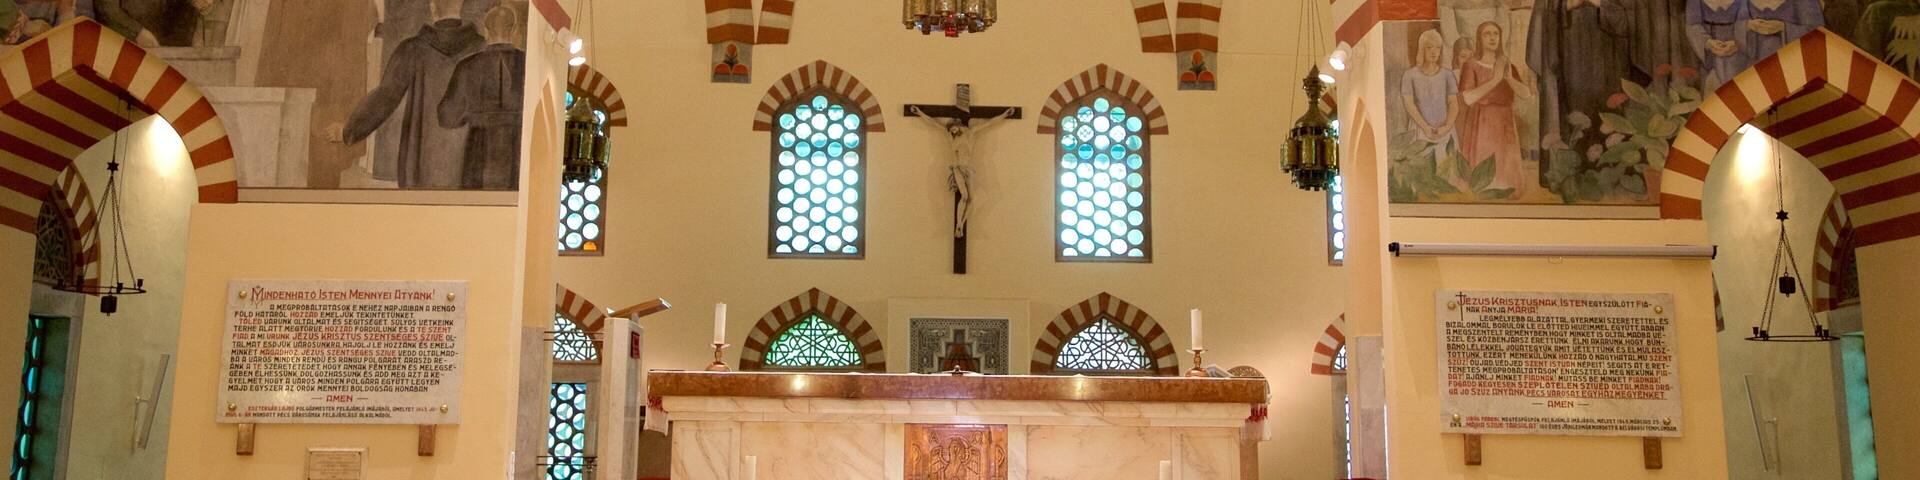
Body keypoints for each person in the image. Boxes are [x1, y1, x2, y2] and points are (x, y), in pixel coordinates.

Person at [328, 0, 484, 189]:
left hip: (419, 168)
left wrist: (349, 131)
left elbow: (385, 97)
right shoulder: (482, 48)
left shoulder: (412, 48)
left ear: (432, 7)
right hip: (467, 166)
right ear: (460, 5)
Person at [438, 4, 524, 190]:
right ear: (514, 29)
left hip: (479, 152)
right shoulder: (529, 65)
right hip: (518, 152)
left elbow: (447, 117)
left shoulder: (467, 66)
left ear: (486, 30)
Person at [909, 105, 1014, 238]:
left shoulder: (972, 132)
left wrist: (1005, 114)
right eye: (950, 130)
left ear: (957, 124)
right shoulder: (950, 136)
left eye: (952, 128)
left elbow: (989, 123)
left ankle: (961, 225)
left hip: (969, 169)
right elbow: (934, 123)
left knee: (971, 199)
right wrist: (919, 113)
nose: (951, 131)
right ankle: (958, 224)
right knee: (964, 196)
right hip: (957, 168)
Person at [1458, 21, 1533, 197]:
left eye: (1495, 34)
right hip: (1482, 120)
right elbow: (1468, 98)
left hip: (1505, 120)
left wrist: (1508, 78)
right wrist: (1495, 79)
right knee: (1485, 166)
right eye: (1487, 34)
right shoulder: (1472, 65)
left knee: (1505, 164)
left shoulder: (1507, 64)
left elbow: (1526, 94)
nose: (1492, 38)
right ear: (1480, 39)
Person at [1402, 30, 1461, 168]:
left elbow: (1454, 103)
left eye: (1437, 48)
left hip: (1444, 129)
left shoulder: (1447, 75)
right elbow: (1409, 104)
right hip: (1420, 129)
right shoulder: (1409, 75)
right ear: (1422, 49)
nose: (1434, 52)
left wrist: (1446, 126)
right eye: (1429, 47)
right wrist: (1425, 128)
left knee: (1447, 169)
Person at [1689, 0, 1750, 92]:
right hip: (1708, 54)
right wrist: (1708, 42)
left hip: (1736, 52)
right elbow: (1692, 25)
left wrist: (1738, 43)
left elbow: (1747, 20)